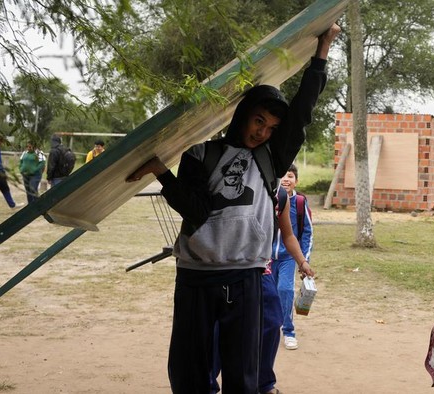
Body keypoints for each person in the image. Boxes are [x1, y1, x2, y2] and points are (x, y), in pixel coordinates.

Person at [125, 24, 340, 394]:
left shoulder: (271, 158)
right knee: (190, 372)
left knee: (245, 374)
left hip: (247, 277)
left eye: (271, 127)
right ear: (243, 115)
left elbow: (303, 111)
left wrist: (321, 53)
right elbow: (195, 210)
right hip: (197, 275)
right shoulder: (201, 153)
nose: (262, 132)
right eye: (258, 121)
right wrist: (163, 173)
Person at [211, 187, 315, 394]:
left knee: (271, 321)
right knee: (218, 327)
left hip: (260, 267)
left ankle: (263, 382)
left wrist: (302, 262)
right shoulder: (233, 184)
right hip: (223, 267)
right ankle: (208, 383)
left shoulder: (280, 195)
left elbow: (288, 235)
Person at [271, 163, 313, 350]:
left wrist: (304, 260)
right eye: (283, 176)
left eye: (290, 176)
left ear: (296, 181)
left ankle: (288, 331)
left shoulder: (300, 203)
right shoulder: (270, 198)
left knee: (285, 291)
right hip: (267, 257)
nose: (286, 179)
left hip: (288, 258)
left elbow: (307, 234)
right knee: (267, 294)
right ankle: (268, 328)